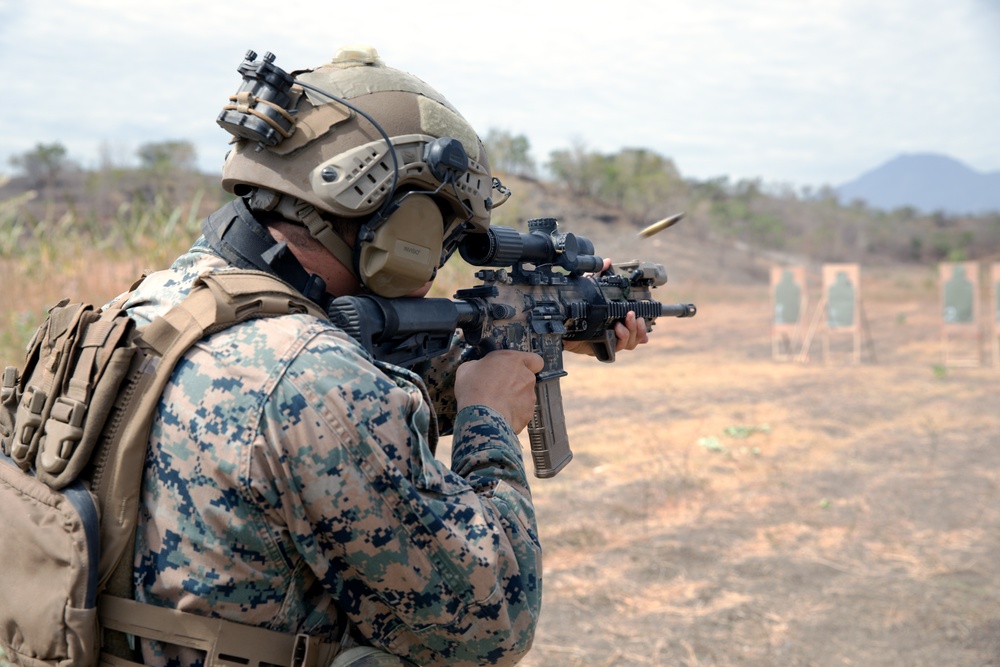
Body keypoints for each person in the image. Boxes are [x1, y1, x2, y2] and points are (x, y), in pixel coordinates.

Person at [115, 46, 649, 667]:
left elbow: (372, 375)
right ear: (401, 220)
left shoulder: (156, 306)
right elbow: (489, 627)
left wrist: (539, 334)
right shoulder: (313, 380)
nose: (439, 262)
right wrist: (489, 420)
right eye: (443, 234)